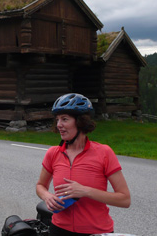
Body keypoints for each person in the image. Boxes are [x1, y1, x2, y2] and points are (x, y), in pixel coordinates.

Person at [36, 93, 131, 236]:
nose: (59, 125)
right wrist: (47, 196)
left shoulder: (104, 153)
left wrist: (85, 191)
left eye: (65, 119)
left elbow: (125, 199)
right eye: (57, 120)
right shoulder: (53, 153)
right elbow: (40, 186)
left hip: (96, 231)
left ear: (81, 122)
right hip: (59, 229)